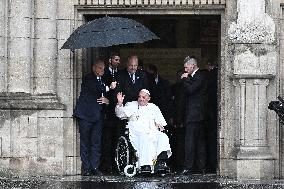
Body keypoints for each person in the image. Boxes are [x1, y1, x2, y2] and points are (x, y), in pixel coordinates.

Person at [73, 59, 116, 176]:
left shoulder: (102, 80)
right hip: (86, 115)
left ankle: (95, 167)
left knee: (96, 142)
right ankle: (86, 168)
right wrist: (109, 88)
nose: (102, 70)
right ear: (94, 68)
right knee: (85, 142)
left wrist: (107, 100)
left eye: (103, 68)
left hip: (98, 116)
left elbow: (107, 97)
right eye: (100, 68)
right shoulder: (89, 78)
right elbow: (98, 89)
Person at [115, 89, 172, 173]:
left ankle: (160, 163)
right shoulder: (131, 105)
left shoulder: (153, 107)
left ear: (148, 98)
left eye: (143, 97)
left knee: (163, 136)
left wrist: (159, 125)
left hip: (152, 131)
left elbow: (160, 122)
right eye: (139, 96)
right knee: (145, 137)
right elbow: (120, 114)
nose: (141, 99)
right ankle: (145, 165)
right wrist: (120, 103)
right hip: (136, 132)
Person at [178, 57, 208, 175]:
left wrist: (185, 80)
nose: (185, 70)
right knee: (196, 141)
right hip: (194, 114)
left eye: (186, 67)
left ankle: (190, 166)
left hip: (195, 114)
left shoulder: (200, 76)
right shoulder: (194, 77)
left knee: (192, 141)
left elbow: (191, 90)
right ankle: (200, 166)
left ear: (193, 66)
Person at [100, 52, 121, 174]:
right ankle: (106, 166)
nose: (118, 61)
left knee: (115, 139)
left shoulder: (119, 74)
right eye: (116, 59)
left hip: (116, 112)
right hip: (106, 112)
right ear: (110, 60)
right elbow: (100, 88)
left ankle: (114, 165)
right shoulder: (104, 73)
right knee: (106, 140)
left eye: (119, 60)